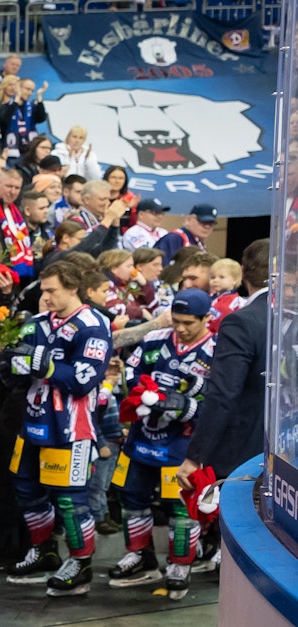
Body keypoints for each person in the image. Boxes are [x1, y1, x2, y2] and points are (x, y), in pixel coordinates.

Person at [1, 261, 113, 597]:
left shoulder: (93, 325)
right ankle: (45, 552)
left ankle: (81, 563)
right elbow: (9, 366)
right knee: (26, 490)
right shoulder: (36, 323)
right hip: (32, 421)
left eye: (52, 290)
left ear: (73, 288)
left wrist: (43, 363)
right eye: (43, 290)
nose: (45, 296)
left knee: (70, 501)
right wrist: (40, 363)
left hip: (71, 429)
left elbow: (82, 380)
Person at [108, 289, 214, 599]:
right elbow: (132, 372)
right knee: (131, 497)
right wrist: (142, 392)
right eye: (176, 321)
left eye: (188, 323)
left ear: (206, 318)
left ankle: (180, 564)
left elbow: (219, 401)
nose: (179, 328)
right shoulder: (156, 339)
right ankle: (140, 557)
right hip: (142, 436)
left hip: (182, 445)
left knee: (180, 506)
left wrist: (185, 405)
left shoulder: (217, 350)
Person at [181, 239, 270, 480]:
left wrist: (194, 456)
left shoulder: (241, 321)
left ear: (243, 271)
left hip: (243, 458)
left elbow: (223, 393)